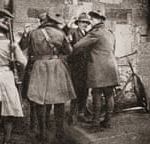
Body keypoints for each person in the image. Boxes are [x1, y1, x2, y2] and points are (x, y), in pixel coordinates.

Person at [26, 10, 76, 143]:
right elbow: (68, 51)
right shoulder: (60, 34)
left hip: (39, 67)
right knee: (59, 100)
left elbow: (29, 50)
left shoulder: (33, 33)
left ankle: (42, 133)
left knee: (40, 101)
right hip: (56, 66)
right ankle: (59, 132)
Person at [73, 10, 120, 131]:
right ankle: (107, 121)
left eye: (93, 19)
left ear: (99, 20)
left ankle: (95, 124)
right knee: (109, 95)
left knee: (97, 94)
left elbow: (77, 46)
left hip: (98, 68)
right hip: (111, 67)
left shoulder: (95, 33)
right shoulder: (109, 33)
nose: (91, 21)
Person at [63, 12, 91, 125]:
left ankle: (81, 113)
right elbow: (66, 42)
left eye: (86, 22)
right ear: (78, 23)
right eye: (82, 22)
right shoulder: (73, 32)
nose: (84, 24)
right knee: (75, 91)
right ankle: (72, 115)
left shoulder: (88, 33)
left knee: (84, 90)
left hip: (86, 66)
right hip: (75, 66)